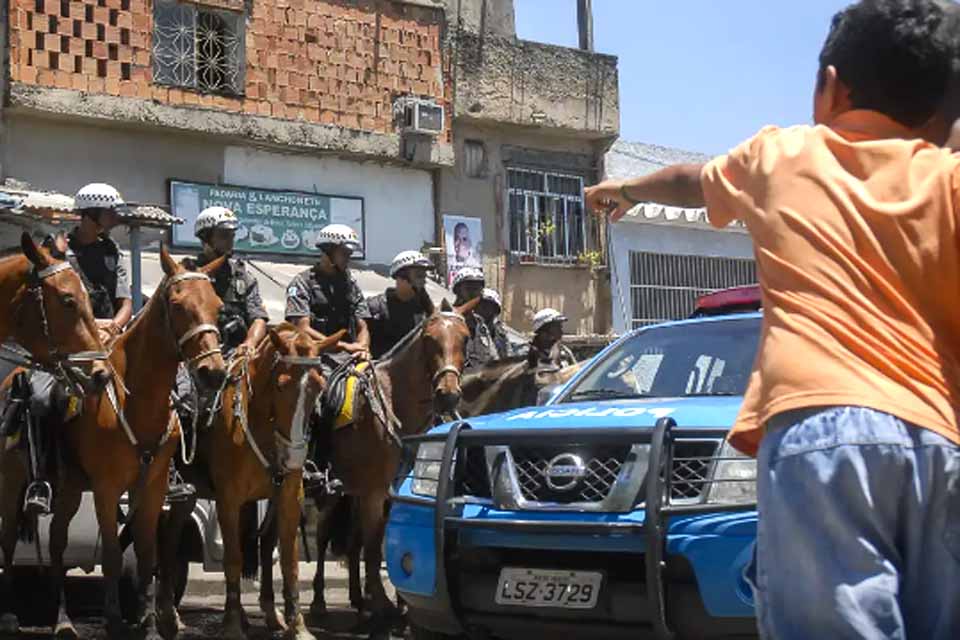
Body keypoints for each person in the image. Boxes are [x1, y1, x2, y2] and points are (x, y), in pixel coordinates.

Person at [584, 2, 960, 637]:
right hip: (940, 443)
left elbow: (690, 180)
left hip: (823, 433)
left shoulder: (782, 156)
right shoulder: (947, 181)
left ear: (829, 85)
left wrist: (629, 189)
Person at [6, 183, 134, 514]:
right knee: (38, 398)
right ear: (90, 215)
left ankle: (152, 475)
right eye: (109, 213)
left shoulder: (111, 251)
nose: (114, 219)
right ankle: (39, 479)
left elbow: (125, 302)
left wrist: (115, 326)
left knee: (165, 392)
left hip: (108, 339)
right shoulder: (58, 250)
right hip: (68, 347)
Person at [285, 224, 370, 493]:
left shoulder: (350, 284)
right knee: (320, 400)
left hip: (348, 356)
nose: (348, 257)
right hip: (316, 356)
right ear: (327, 252)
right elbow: (301, 326)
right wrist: (344, 345)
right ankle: (315, 463)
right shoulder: (302, 283)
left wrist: (363, 346)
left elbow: (363, 323)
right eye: (344, 252)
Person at [173, 206, 269, 439]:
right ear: (206, 238)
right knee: (186, 399)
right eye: (223, 235)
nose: (230, 241)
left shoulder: (242, 276)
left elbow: (258, 317)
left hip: (238, 353)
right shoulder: (187, 272)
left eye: (232, 235)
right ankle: (182, 464)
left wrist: (250, 343)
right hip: (197, 354)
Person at [365, 250, 435, 359]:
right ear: (401, 277)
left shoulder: (425, 312)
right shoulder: (374, 307)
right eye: (419, 276)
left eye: (424, 276)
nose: (424, 281)